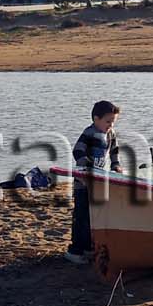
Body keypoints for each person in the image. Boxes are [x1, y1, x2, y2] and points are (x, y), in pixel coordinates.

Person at [66, 100, 120, 264]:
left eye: (113, 122)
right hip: (83, 183)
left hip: (98, 182)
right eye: (108, 121)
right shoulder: (89, 133)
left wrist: (116, 165)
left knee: (94, 217)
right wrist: (86, 166)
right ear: (96, 119)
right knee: (81, 216)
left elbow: (114, 151)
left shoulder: (110, 134)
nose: (110, 125)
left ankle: (89, 248)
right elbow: (77, 150)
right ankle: (75, 250)